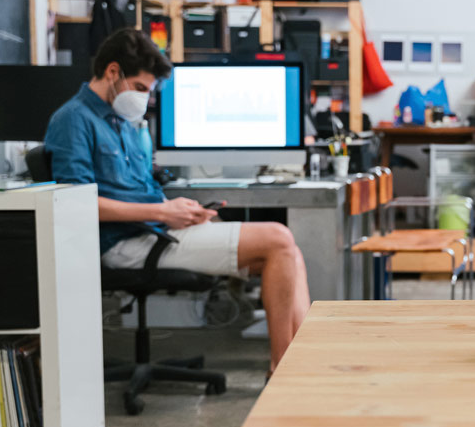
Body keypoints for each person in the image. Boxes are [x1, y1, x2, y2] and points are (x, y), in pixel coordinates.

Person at [45, 29, 310, 372]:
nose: (144, 98)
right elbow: (75, 205)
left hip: (154, 232)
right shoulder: (73, 120)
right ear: (113, 72)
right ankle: (283, 367)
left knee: (290, 255)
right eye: (140, 88)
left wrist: (184, 211)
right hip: (123, 243)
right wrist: (162, 211)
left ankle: (303, 358)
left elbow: (144, 190)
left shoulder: (126, 123)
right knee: (278, 239)